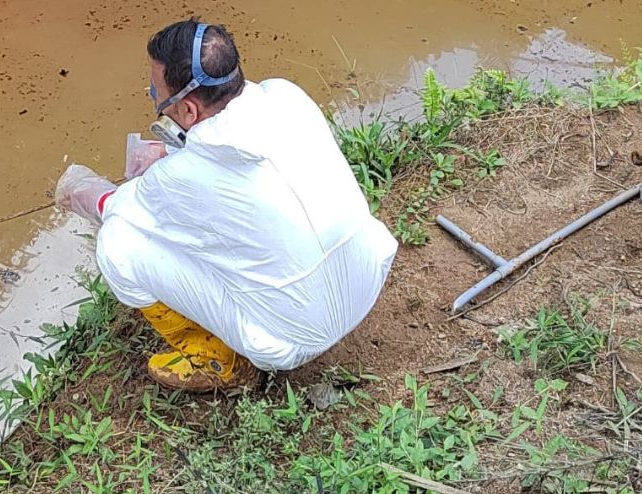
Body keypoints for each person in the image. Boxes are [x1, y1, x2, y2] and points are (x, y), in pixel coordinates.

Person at [56, 21, 398, 392]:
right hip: (367, 277)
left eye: (157, 93)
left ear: (187, 109)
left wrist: (78, 189)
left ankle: (217, 361)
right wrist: (173, 156)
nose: (154, 97)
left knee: (117, 243)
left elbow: (114, 207)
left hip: (293, 341)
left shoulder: (180, 178)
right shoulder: (286, 96)